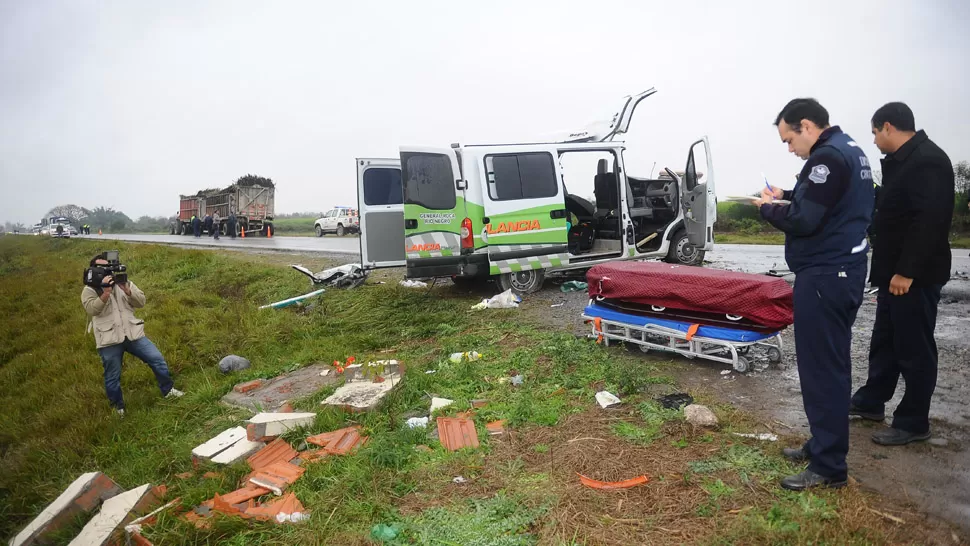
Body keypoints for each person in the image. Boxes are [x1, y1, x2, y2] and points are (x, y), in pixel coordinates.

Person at [755, 98, 874, 491]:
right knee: (832, 363)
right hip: (841, 269)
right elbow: (826, 203)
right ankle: (824, 444)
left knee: (822, 368)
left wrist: (767, 208)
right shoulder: (849, 150)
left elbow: (806, 219)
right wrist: (789, 192)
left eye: (789, 140)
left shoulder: (826, 159)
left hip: (826, 273)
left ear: (806, 125)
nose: (790, 149)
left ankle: (828, 466)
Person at [850, 103, 954, 445]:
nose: (876, 141)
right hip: (892, 273)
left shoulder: (929, 161)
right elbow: (892, 208)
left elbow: (930, 222)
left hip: (915, 276)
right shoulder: (904, 162)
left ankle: (913, 421)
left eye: (875, 133)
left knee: (913, 347)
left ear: (889, 127)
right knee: (885, 340)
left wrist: (907, 272)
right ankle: (871, 401)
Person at [81, 253, 183, 416]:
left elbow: (141, 302)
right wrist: (105, 293)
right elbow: (92, 309)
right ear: (93, 269)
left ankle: (168, 390)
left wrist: (128, 291)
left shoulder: (122, 282)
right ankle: (118, 408)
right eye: (100, 267)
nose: (105, 270)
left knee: (157, 360)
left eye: (107, 267)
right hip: (109, 339)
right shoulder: (89, 290)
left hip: (132, 333)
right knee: (112, 376)